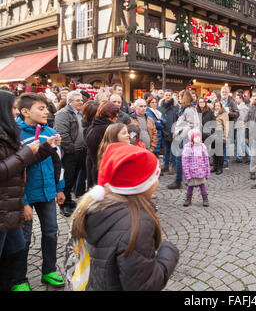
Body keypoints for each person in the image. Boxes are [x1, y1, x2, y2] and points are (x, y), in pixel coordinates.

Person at [70, 142, 179, 290]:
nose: (157, 182)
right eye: (154, 177)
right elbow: (145, 286)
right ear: (142, 185)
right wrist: (169, 251)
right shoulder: (137, 224)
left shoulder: (97, 206)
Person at [0, 91, 60, 291]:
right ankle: (19, 279)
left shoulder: (48, 132)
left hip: (46, 192)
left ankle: (49, 270)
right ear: (26, 112)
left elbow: (55, 163)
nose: (46, 112)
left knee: (51, 233)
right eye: (40, 108)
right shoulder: (14, 133)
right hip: (21, 197)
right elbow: (16, 171)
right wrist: (24, 201)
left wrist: (59, 188)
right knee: (22, 240)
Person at [54, 90, 87, 217]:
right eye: (77, 100)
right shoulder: (63, 114)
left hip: (80, 151)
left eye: (81, 100)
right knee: (67, 179)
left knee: (72, 178)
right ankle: (64, 205)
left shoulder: (80, 113)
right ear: (69, 102)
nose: (81, 102)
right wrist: (72, 150)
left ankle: (68, 200)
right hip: (70, 153)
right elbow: (63, 135)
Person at [167, 90, 201, 189]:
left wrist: (180, 133)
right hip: (184, 137)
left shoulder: (189, 110)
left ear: (184, 98)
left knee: (181, 159)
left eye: (180, 97)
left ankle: (181, 181)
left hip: (186, 138)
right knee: (183, 159)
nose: (179, 98)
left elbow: (192, 125)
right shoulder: (186, 109)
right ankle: (185, 180)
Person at [85, 102, 119, 184]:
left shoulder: (92, 127)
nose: (116, 119)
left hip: (96, 168)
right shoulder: (109, 129)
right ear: (110, 117)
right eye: (116, 117)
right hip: (107, 169)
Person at [181, 130, 211, 207]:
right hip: (192, 171)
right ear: (192, 138)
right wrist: (187, 173)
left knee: (202, 185)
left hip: (201, 171)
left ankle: (205, 199)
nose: (198, 139)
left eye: (199, 137)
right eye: (195, 137)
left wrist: (207, 172)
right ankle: (188, 199)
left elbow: (206, 160)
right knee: (190, 186)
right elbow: (185, 161)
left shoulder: (202, 147)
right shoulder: (188, 148)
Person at [158, 89, 179, 174]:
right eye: (166, 95)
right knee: (166, 149)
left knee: (173, 150)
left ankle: (173, 166)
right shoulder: (160, 106)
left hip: (173, 130)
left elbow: (178, 119)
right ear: (164, 96)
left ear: (171, 96)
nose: (167, 96)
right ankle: (166, 165)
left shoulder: (176, 106)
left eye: (169, 95)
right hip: (164, 130)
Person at [80, 101, 100, 190]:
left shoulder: (93, 126)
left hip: (93, 158)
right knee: (93, 184)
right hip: (92, 159)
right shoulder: (89, 128)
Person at [220, 86, 239, 167]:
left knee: (227, 144)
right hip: (220, 125)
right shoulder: (219, 101)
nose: (224, 93)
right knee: (221, 143)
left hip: (229, 124)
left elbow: (237, 114)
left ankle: (226, 161)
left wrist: (229, 113)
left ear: (228, 93)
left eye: (225, 92)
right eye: (223, 92)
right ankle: (220, 160)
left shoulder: (232, 102)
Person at [211, 100, 229, 175]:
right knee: (214, 153)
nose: (217, 107)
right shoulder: (213, 113)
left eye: (218, 105)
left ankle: (219, 168)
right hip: (212, 134)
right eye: (215, 106)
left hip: (219, 134)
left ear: (221, 106)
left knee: (219, 153)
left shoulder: (224, 114)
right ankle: (215, 167)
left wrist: (224, 137)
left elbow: (226, 126)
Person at [235, 93, 250, 163]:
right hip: (239, 126)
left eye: (237, 98)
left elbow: (242, 118)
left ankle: (250, 156)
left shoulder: (243, 108)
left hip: (241, 126)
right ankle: (240, 157)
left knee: (242, 142)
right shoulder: (239, 106)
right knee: (240, 142)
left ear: (241, 99)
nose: (236, 99)